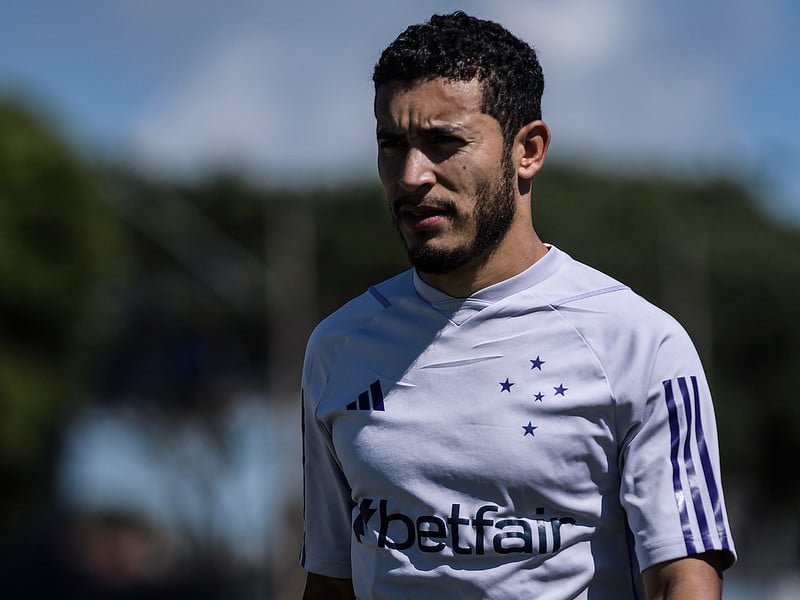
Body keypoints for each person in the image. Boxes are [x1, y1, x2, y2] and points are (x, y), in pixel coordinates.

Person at [299, 11, 736, 600]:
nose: (410, 176)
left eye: (443, 143)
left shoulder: (640, 343)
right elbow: (331, 580)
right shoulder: (336, 348)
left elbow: (682, 578)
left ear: (528, 149)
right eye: (391, 145)